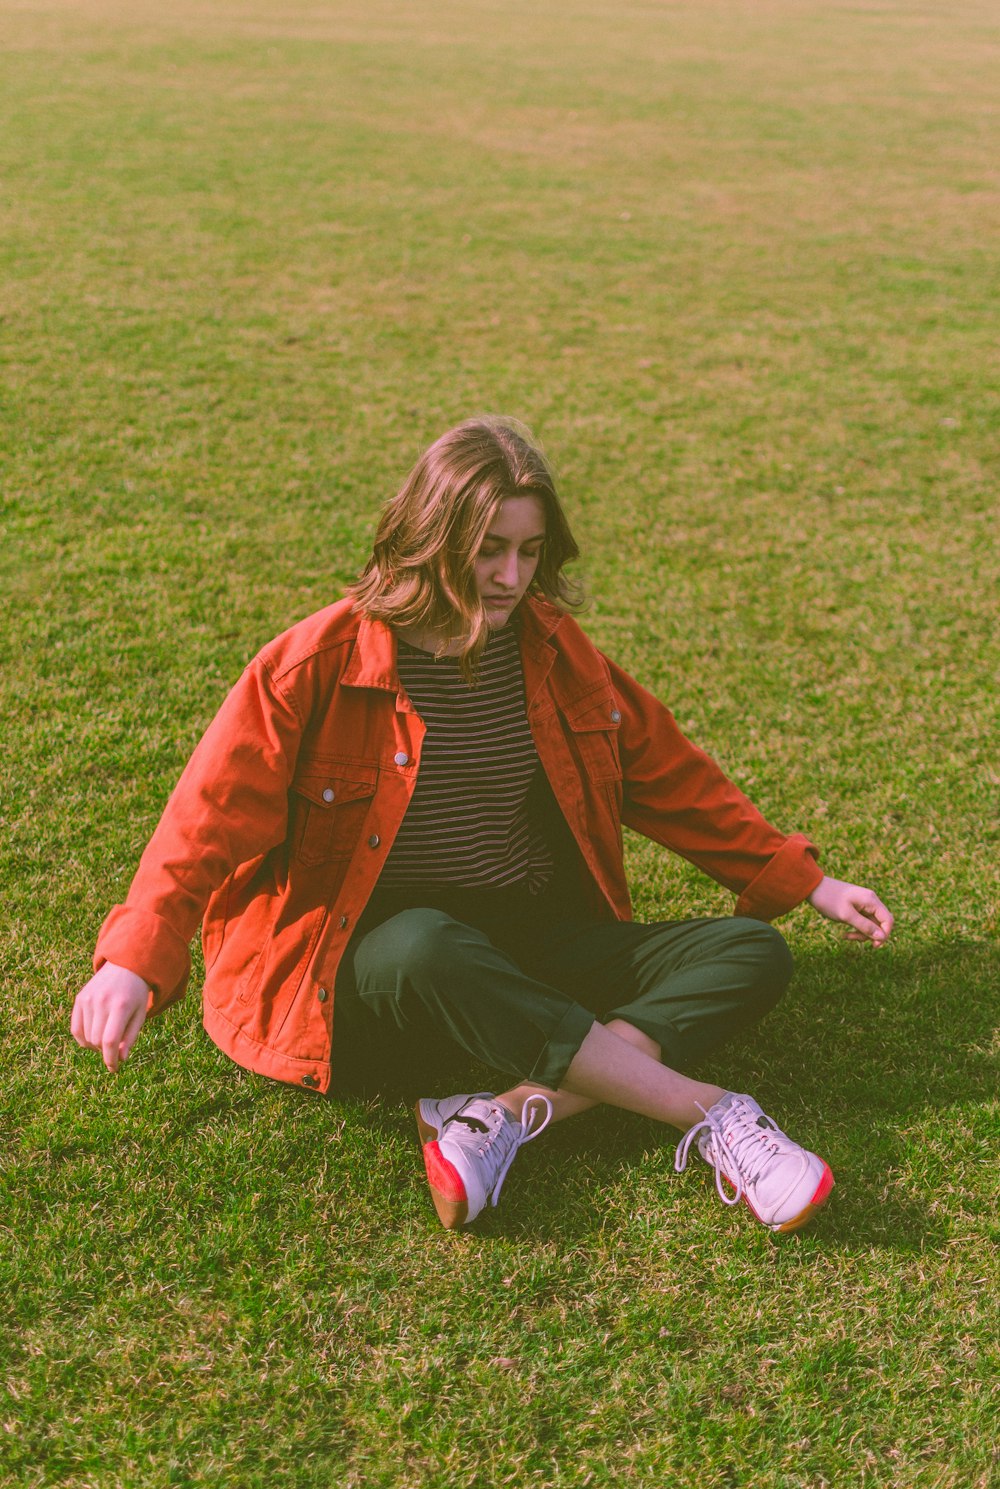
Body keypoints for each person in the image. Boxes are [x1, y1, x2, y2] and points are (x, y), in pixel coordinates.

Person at [71, 417, 893, 1234]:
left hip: (516, 945)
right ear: (431, 538)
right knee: (428, 942)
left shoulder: (552, 648)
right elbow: (205, 820)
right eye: (489, 548)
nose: (510, 576)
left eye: (529, 552)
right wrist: (135, 963)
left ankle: (497, 1115)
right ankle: (709, 1114)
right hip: (366, 972)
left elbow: (665, 772)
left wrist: (809, 882)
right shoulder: (313, 665)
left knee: (749, 950)